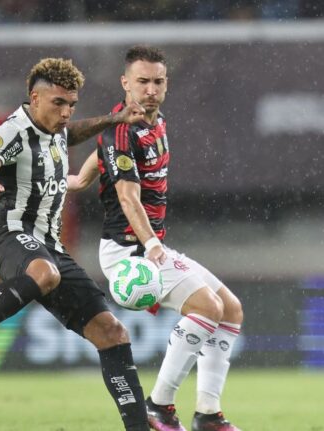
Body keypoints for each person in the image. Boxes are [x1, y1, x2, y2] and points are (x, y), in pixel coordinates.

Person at [0, 57, 151, 431]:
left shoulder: (56, 129)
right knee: (44, 272)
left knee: (112, 331)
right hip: (9, 237)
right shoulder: (11, 132)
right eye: (58, 103)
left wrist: (113, 119)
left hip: (50, 246)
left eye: (71, 104)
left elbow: (73, 132)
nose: (67, 112)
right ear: (34, 98)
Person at [68, 46, 244, 431]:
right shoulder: (121, 131)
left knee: (230, 309)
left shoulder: (154, 120)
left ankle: (209, 415)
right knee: (207, 308)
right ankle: (158, 407)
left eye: (158, 82)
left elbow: (103, 158)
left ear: (166, 84)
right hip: (129, 251)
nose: (150, 89)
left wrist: (79, 180)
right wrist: (152, 247)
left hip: (148, 244)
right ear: (125, 83)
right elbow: (129, 198)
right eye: (142, 81)